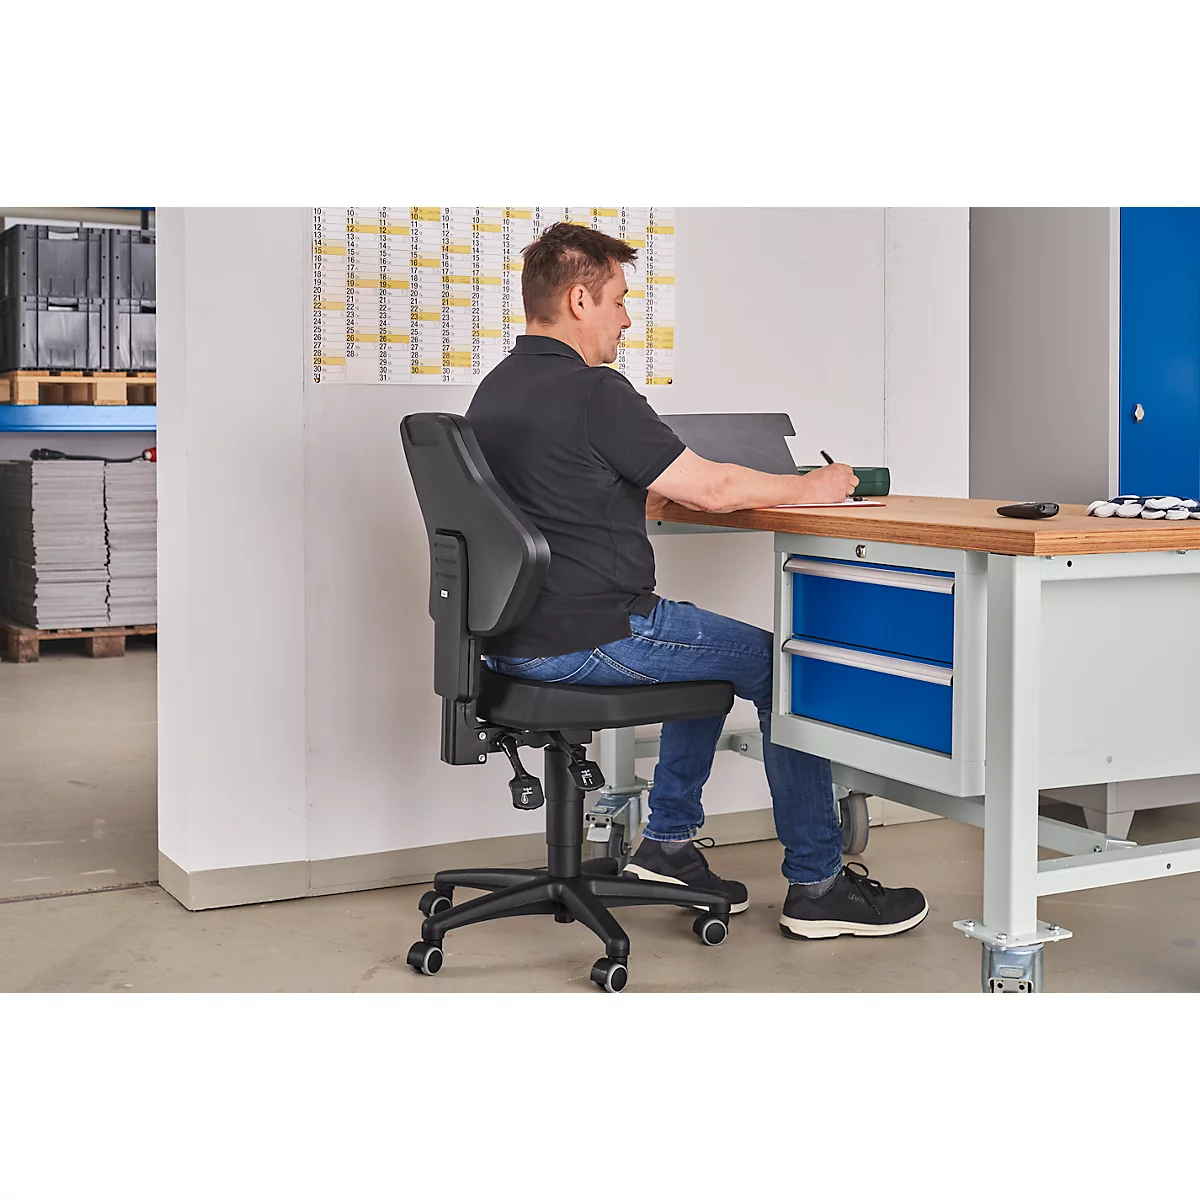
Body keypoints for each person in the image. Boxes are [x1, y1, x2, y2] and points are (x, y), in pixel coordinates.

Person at [466, 222, 927, 941]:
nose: (625, 317)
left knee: (704, 644)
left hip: (516, 638)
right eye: (619, 300)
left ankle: (670, 844)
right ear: (581, 300)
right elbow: (711, 489)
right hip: (595, 634)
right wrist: (817, 488)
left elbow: (546, 495)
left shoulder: (495, 392)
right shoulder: (594, 391)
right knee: (781, 664)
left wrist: (625, 492)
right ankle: (818, 884)